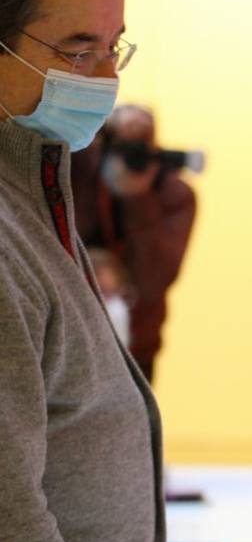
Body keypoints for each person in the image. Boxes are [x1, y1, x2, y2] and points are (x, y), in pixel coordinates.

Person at [0, 0, 177, 542]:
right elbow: (7, 530)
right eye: (75, 49)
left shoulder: (39, 176)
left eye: (113, 47)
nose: (104, 77)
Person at [70, 104, 197, 382]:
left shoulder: (174, 195)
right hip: (69, 340)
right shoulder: (77, 171)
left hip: (135, 348)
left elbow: (153, 280)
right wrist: (94, 162)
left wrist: (138, 197)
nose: (130, 157)